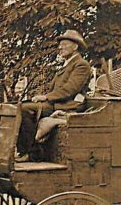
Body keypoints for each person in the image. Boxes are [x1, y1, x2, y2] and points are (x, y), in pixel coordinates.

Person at [16, 29, 91, 161]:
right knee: (20, 106)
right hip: (57, 103)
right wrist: (44, 97)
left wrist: (46, 97)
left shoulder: (81, 65)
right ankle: (23, 151)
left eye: (64, 44)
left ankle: (33, 154)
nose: (60, 47)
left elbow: (70, 89)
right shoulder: (66, 65)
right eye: (60, 45)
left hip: (70, 105)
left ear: (75, 47)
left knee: (24, 109)